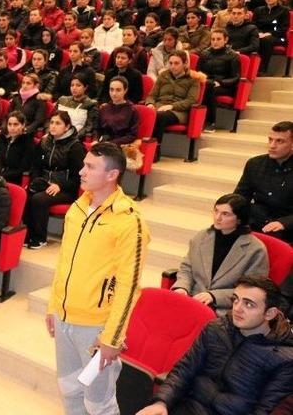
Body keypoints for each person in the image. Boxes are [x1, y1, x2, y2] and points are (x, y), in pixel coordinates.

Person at [46, 142, 149, 415]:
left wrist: (112, 337)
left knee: (98, 404)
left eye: (90, 167)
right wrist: (52, 306)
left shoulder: (129, 221)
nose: (81, 171)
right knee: (69, 391)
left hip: (96, 328)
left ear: (112, 175)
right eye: (84, 165)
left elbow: (129, 286)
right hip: (64, 318)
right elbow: (63, 262)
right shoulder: (76, 209)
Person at [136, 276, 293, 415]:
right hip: (188, 407)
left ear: (270, 313)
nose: (237, 308)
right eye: (235, 300)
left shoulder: (284, 358)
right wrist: (161, 402)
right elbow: (184, 370)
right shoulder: (216, 329)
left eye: (249, 304)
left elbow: (265, 409)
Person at [172, 193, 269, 314]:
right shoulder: (201, 237)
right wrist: (182, 287)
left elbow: (252, 290)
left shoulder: (255, 249)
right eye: (216, 211)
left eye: (225, 214)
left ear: (239, 219)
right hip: (192, 299)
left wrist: (214, 296)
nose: (217, 217)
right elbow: (187, 268)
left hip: (226, 309)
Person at [25, 111, 87, 249]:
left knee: (39, 199)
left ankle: (40, 238)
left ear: (67, 127)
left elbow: (79, 176)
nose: (53, 126)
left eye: (58, 123)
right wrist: (35, 181)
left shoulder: (75, 146)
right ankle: (27, 234)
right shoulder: (44, 142)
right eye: (51, 122)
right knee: (28, 193)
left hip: (66, 188)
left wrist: (60, 185)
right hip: (45, 182)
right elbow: (36, 165)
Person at [234, 121, 293, 242]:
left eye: (279, 141)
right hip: (257, 220)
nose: (272, 145)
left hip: (287, 226)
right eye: (270, 139)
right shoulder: (255, 163)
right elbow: (240, 197)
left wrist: (284, 223)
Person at [198, 29, 241, 133]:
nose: (215, 42)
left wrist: (221, 83)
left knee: (210, 89)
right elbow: (199, 72)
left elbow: (236, 77)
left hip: (226, 86)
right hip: (208, 83)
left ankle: (211, 122)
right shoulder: (204, 54)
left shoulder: (233, 56)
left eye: (218, 39)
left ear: (225, 40)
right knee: (206, 87)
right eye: (213, 39)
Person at [0, 111, 34, 185]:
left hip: (14, 180)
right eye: (9, 124)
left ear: (23, 125)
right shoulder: (1, 138)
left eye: (16, 124)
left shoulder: (27, 142)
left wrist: (1, 176)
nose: (12, 128)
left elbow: (22, 169)